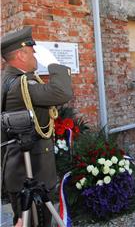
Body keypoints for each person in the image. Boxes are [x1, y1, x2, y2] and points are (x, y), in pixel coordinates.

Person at [1, 27, 73, 226]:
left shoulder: (6, 79)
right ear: (21, 54)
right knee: (36, 221)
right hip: (32, 170)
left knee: (23, 221)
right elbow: (61, 93)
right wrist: (53, 63)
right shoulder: (21, 84)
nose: (35, 56)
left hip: (17, 168)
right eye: (33, 52)